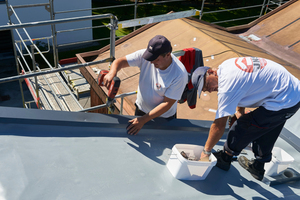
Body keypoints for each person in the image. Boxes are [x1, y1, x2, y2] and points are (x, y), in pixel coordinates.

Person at [193, 57, 300, 181]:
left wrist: (206, 152)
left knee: (242, 126)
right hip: (293, 92)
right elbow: (245, 85)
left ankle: (225, 158)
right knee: (268, 127)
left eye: (207, 84)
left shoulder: (227, 86)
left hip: (284, 98)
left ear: (211, 72)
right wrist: (240, 111)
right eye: (207, 90)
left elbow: (218, 125)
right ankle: (258, 166)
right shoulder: (227, 65)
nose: (210, 89)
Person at [103, 35, 188, 135]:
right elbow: (120, 61)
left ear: (168, 55)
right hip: (141, 111)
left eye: (155, 59)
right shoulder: (146, 56)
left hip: (164, 118)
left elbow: (167, 104)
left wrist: (143, 120)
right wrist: (112, 72)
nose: (151, 62)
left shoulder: (179, 74)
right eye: (150, 58)